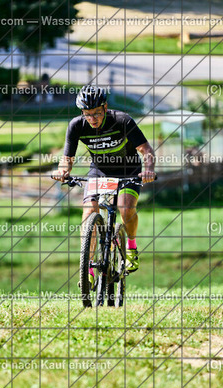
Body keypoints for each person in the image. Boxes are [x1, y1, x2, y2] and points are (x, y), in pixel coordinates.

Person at [52, 85, 156, 279]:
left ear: (105, 107)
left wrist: (148, 169)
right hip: (99, 171)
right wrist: (63, 171)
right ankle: (88, 268)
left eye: (97, 113)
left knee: (126, 208)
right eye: (87, 114)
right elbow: (67, 158)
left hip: (128, 170)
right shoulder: (76, 125)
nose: (92, 119)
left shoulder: (122, 120)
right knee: (89, 213)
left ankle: (131, 247)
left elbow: (146, 150)